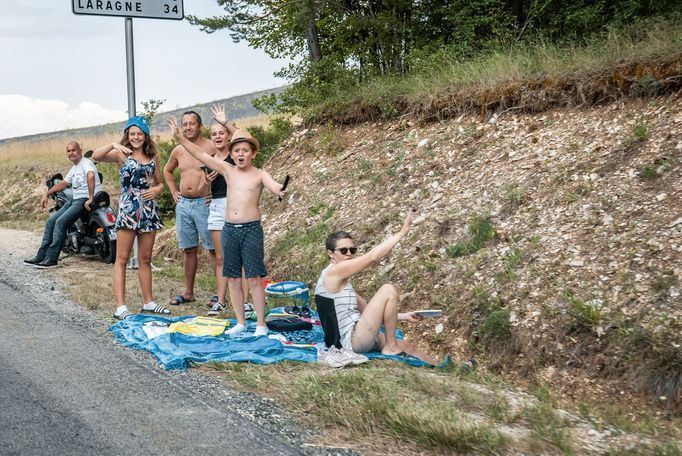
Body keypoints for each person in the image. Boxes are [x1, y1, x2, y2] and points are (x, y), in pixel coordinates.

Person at [168, 115, 288, 337]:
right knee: (232, 277)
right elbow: (201, 154)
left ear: (253, 153)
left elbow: (274, 185)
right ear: (231, 154)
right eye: (237, 151)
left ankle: (261, 324)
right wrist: (179, 137)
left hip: (251, 229)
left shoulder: (260, 174)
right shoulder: (227, 169)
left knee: (253, 278)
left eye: (245, 150)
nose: (241, 154)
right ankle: (240, 322)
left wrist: (281, 190)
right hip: (229, 229)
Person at [315, 210, 437, 364]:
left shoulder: (342, 283)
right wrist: (402, 232)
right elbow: (372, 257)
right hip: (350, 342)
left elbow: (368, 310)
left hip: (359, 333)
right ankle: (391, 348)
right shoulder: (334, 272)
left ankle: (443, 370)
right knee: (388, 290)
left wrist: (404, 315)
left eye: (352, 250)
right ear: (331, 254)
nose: (349, 254)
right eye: (343, 250)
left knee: (406, 345)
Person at [92, 116, 169, 320]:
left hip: (148, 210)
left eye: (140, 134)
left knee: (145, 258)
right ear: (127, 135)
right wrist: (112, 144)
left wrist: (157, 190)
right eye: (132, 133)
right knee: (122, 258)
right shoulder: (120, 154)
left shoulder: (153, 158)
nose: (136, 137)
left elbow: (160, 182)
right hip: (129, 209)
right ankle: (120, 307)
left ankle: (149, 302)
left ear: (146, 136)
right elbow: (96, 156)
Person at [163, 110, 216, 306]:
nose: (187, 127)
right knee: (188, 249)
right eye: (184, 124)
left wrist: (215, 192)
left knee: (213, 249)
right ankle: (188, 292)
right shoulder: (178, 150)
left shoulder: (211, 146)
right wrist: (173, 191)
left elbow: (225, 168)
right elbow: (167, 171)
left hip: (205, 204)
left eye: (191, 124)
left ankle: (219, 294)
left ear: (200, 126)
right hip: (183, 204)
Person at [203, 105, 250, 316]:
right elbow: (207, 191)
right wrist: (207, 182)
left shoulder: (235, 155)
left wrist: (224, 121)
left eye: (221, 133)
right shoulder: (210, 160)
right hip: (216, 207)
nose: (218, 136)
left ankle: (246, 301)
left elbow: (242, 137)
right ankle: (220, 301)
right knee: (221, 258)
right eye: (214, 134)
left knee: (240, 257)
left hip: (236, 205)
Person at [24, 141, 102, 269]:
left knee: (61, 222)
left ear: (80, 151)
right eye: (68, 151)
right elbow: (64, 183)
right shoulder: (75, 167)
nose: (71, 153)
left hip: (83, 199)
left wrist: (91, 197)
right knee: (51, 221)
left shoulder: (86, 163)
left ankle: (52, 259)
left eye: (73, 150)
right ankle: (42, 255)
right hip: (75, 200)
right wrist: (47, 193)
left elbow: (91, 175)